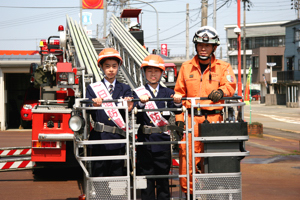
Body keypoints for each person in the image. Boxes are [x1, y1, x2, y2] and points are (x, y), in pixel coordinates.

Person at [174, 26, 237, 197]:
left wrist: (222, 92)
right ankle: (190, 195)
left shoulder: (223, 67)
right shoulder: (186, 68)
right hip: (191, 120)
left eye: (207, 46)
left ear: (214, 47)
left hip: (214, 120)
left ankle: (212, 194)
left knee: (214, 159)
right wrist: (179, 118)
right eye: (200, 45)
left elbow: (230, 85)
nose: (203, 48)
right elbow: (179, 93)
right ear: (196, 46)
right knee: (187, 159)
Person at [133, 54, 182, 200]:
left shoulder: (168, 92)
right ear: (144, 73)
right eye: (149, 71)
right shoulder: (137, 92)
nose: (153, 74)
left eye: (156, 71)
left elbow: (177, 109)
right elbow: (133, 112)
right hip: (145, 141)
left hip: (163, 141)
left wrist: (178, 102)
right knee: (146, 179)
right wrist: (140, 103)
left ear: (162, 73)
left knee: (163, 179)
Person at [86, 48, 133, 177]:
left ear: (119, 67)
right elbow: (88, 106)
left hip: (118, 138)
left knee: (117, 175)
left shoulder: (125, 88)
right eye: (107, 66)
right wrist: (93, 103)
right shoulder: (93, 88)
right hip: (99, 138)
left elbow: (130, 108)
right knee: (99, 175)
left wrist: (129, 104)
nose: (111, 69)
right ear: (101, 67)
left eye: (114, 66)